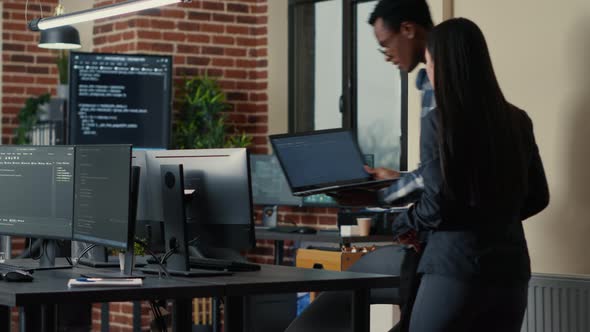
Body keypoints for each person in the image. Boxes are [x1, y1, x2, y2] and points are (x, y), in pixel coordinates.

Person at [390, 18, 549, 331]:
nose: (429, 72)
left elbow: (437, 203)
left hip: (456, 268)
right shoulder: (518, 120)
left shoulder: (440, 120)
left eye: (430, 62)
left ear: (443, 65)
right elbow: (538, 197)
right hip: (511, 272)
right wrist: (496, 216)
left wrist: (406, 221)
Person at [285, 1, 435, 331]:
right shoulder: (510, 118)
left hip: (443, 259)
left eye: (385, 45)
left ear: (408, 30)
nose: (386, 56)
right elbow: (439, 175)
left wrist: (382, 200)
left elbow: (440, 180)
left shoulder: (437, 88)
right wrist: (397, 179)